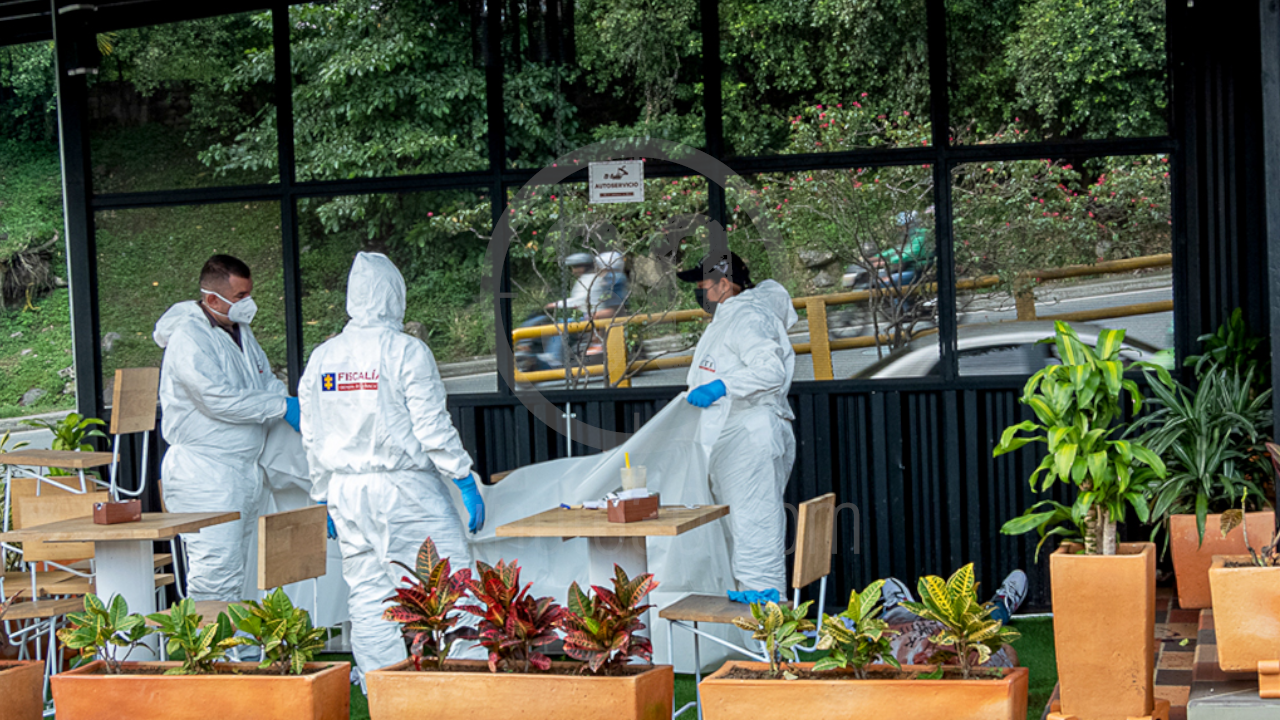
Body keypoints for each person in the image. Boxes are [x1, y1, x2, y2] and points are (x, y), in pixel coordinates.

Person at [298, 251, 485, 688]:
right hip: (405, 490)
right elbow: (432, 426)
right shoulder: (405, 351)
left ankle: (384, 691)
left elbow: (312, 433)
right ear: (394, 295)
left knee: (368, 595)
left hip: (346, 492)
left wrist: (323, 493)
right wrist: (462, 478)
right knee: (452, 587)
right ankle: (469, 687)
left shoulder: (324, 357)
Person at [153, 254, 299, 602]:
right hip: (205, 475)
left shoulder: (240, 332)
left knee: (244, 579)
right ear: (212, 299)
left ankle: (242, 656)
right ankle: (210, 656)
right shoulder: (189, 339)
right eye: (240, 297)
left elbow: (265, 382)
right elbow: (216, 399)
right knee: (215, 578)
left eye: (249, 294)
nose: (248, 304)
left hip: (242, 472)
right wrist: (281, 407)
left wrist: (295, 405)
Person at [677, 251, 798, 597]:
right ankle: (751, 636)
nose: (700, 293)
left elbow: (770, 370)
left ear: (725, 284)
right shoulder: (730, 318)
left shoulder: (747, 315)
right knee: (742, 534)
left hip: (751, 437)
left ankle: (766, 639)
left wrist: (722, 386)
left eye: (703, 286)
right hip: (739, 439)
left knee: (755, 534)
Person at [878, 570, 1028, 667]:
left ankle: (899, 605)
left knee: (895, 617)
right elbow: (1008, 652)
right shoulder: (978, 666)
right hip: (960, 629)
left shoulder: (887, 663)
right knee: (987, 623)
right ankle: (1002, 603)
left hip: (907, 624)